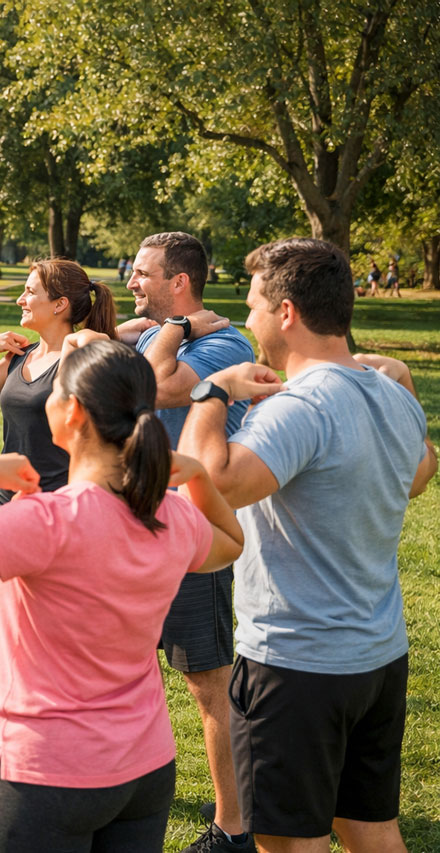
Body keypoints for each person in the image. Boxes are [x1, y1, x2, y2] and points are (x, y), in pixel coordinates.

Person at [0, 340, 244, 852]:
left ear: (71, 412)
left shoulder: (44, 522)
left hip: (43, 775)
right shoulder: (172, 514)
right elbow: (229, 543)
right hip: (144, 769)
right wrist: (200, 477)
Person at [179, 238, 436, 853]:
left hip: (296, 665)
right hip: (377, 656)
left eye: (252, 306)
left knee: (290, 844)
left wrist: (212, 392)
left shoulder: (299, 407)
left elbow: (213, 482)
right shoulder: (395, 396)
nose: (247, 320)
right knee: (370, 830)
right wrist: (403, 387)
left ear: (286, 312)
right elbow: (421, 472)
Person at [117, 231, 256, 853]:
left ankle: (233, 824)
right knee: (128, 668)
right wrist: (148, 326)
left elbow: (155, 386)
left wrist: (176, 328)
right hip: (140, 528)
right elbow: (125, 346)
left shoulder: (226, 344)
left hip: (193, 534)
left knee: (208, 681)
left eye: (143, 273)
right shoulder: (161, 331)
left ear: (180, 283)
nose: (131, 281)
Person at [0, 259, 116, 501]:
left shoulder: (81, 358)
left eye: (29, 292)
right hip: (11, 497)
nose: (20, 300)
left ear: (60, 304)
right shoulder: (20, 356)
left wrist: (79, 341)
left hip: (60, 501)